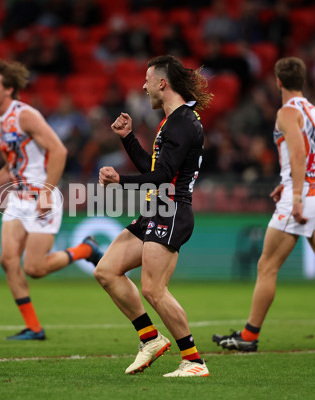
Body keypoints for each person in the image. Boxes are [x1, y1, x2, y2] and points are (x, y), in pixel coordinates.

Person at [213, 57, 315, 354]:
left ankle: (249, 335)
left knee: (267, 265)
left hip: (301, 198)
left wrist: (295, 194)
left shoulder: (287, 112)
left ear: (278, 81)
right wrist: (289, 183)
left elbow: (298, 154)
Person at [96, 55, 212, 378]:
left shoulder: (183, 123)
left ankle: (194, 361)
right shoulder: (172, 121)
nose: (142, 86)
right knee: (106, 271)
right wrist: (127, 138)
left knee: (153, 289)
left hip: (171, 211)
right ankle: (150, 338)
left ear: (162, 83)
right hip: (156, 210)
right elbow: (155, 169)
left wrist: (120, 181)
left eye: (147, 80)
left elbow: (162, 177)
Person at [0, 59, 103, 340]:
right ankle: (33, 328)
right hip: (17, 198)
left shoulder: (24, 115)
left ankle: (86, 250)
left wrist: (46, 192)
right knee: (8, 260)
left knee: (35, 268)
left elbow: (59, 151)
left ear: (9, 90)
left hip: (40, 197)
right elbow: (13, 164)